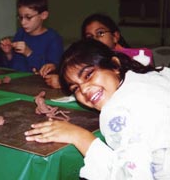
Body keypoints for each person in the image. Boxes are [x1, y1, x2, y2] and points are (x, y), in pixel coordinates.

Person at [25, 39, 170, 180]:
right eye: (75, 88)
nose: (84, 89)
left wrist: (80, 136)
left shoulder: (117, 111)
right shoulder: (150, 77)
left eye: (88, 75)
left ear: (114, 65)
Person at [0, 0, 64, 72]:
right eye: (20, 17)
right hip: (18, 83)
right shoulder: (20, 33)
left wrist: (29, 53)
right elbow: (13, 67)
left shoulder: (53, 39)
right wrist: (9, 54)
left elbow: (51, 72)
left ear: (43, 15)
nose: (23, 22)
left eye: (28, 17)